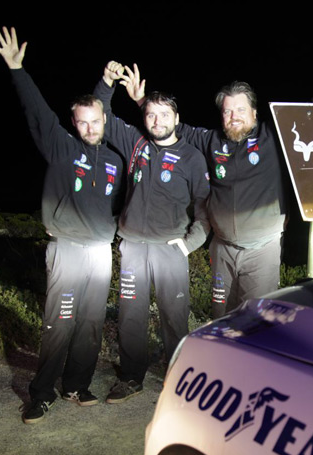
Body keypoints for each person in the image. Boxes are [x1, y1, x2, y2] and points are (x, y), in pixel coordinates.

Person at [122, 53, 313, 318]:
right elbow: (167, 125)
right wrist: (142, 102)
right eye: (227, 111)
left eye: (241, 110)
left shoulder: (272, 136)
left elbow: (306, 116)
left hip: (261, 250)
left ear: (254, 112)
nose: (234, 116)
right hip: (222, 249)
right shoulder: (210, 141)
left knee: (255, 320)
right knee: (221, 317)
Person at [0, 27, 125, 423]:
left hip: (100, 252)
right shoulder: (63, 148)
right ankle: (41, 393)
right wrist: (17, 69)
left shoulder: (116, 161)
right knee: (60, 322)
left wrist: (105, 85)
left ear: (104, 118)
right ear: (74, 123)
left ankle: (76, 385)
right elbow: (37, 112)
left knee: (90, 324)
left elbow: (124, 204)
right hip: (66, 249)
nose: (89, 128)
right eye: (81, 122)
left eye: (94, 121)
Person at [95, 61, 210, 403]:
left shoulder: (192, 157)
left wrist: (188, 245)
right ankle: (131, 377)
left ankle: (179, 378)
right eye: (151, 115)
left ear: (177, 118)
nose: (157, 121)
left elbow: (205, 208)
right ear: (144, 118)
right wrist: (106, 82)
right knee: (131, 316)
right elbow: (100, 113)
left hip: (170, 250)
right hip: (132, 246)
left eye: (164, 115)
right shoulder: (135, 143)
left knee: (175, 318)